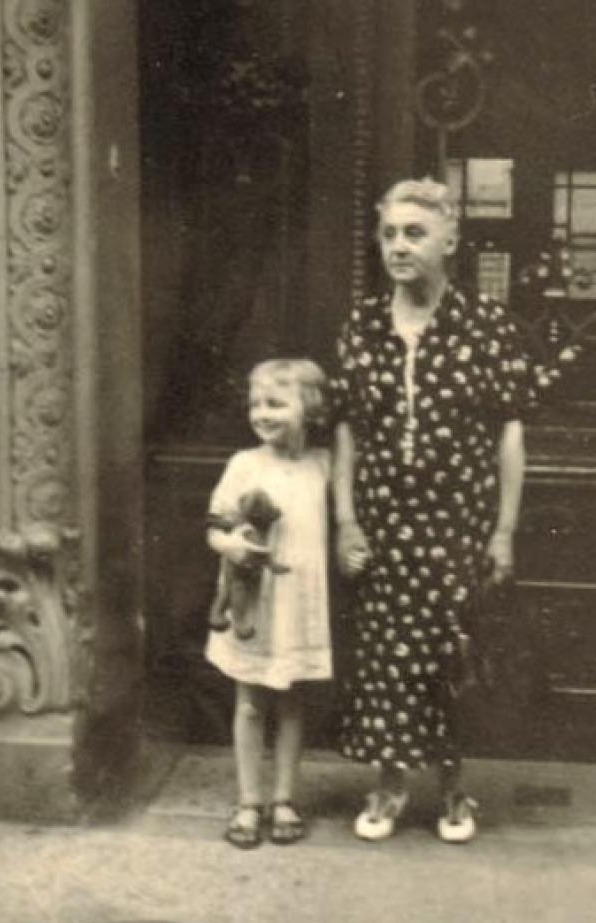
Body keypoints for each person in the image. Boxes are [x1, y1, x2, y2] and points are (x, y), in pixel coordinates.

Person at [329, 177, 531, 843]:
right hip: (384, 521)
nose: (399, 246)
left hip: (457, 523)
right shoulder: (362, 325)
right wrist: (347, 520)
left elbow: (508, 434)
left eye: (414, 233)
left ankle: (451, 786)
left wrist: (502, 530)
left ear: (450, 238)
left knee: (452, 651)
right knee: (385, 650)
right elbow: (347, 432)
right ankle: (389, 783)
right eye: (389, 233)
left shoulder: (486, 326)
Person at [205, 358, 331, 848]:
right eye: (256, 404)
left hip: (298, 600)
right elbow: (215, 526)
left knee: (292, 700)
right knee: (250, 701)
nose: (263, 413)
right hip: (256, 600)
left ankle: (284, 798)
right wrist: (231, 546)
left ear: (310, 408)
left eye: (276, 403)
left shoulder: (322, 465)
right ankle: (248, 801)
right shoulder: (244, 464)